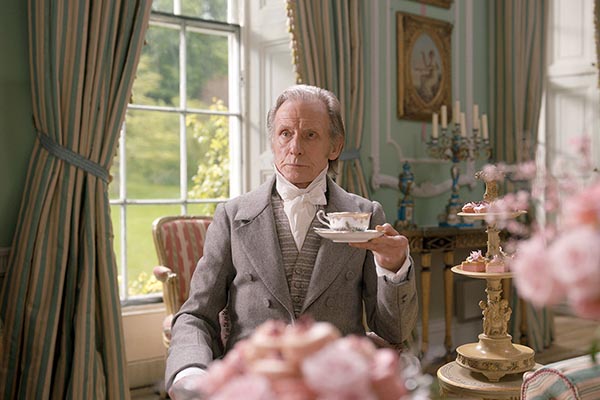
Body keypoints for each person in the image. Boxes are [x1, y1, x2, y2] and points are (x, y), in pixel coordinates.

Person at [165, 84, 418, 394]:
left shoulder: (366, 215)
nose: (295, 148)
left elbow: (394, 331)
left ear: (335, 146)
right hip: (252, 386)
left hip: (333, 389)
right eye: (285, 133)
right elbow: (196, 315)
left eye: (310, 135)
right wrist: (190, 372)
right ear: (273, 141)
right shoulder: (232, 216)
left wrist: (394, 267)